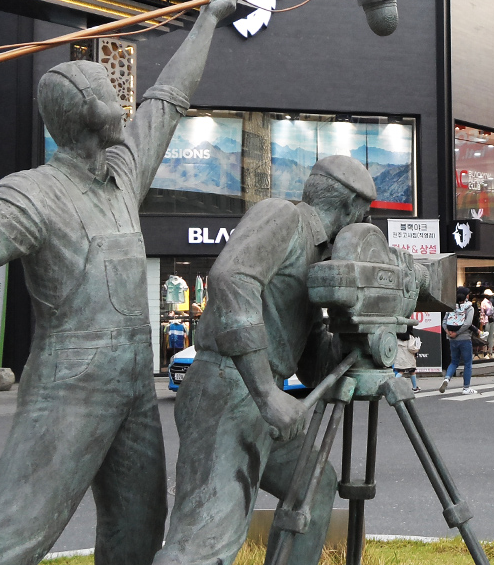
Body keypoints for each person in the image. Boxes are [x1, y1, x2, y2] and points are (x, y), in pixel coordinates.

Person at [0, 0, 238, 565]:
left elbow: (168, 99)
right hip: (70, 387)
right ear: (91, 114)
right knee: (9, 541)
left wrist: (210, 20)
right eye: (113, 96)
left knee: (138, 531)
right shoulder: (33, 193)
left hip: (135, 388)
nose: (124, 103)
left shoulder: (121, 174)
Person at [157, 155, 377, 565]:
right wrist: (264, 391)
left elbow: (312, 363)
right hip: (228, 390)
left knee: (313, 483)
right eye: (364, 213)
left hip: (262, 400)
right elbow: (231, 277)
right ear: (350, 208)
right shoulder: (284, 217)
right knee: (204, 542)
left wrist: (356, 336)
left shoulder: (318, 257)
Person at [440, 287, 480, 394]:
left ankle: (447, 378)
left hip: (452, 340)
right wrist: (457, 333)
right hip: (464, 339)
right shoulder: (469, 308)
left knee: (453, 362)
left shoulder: (451, 306)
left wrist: (449, 333)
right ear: (465, 296)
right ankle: (466, 388)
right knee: (467, 363)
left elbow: (444, 322)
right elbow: (467, 323)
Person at [393, 325, 422, 391]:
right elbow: (411, 347)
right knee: (412, 371)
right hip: (408, 358)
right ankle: (414, 387)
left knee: (400, 371)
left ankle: (392, 384)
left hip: (399, 357)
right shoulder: (410, 337)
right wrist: (417, 349)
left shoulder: (397, 336)